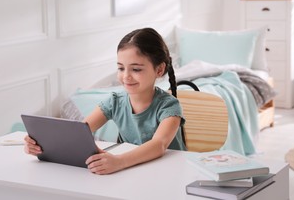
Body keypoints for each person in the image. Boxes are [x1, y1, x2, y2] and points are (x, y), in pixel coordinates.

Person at [24, 27, 186, 174]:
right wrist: (40, 145)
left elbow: (159, 145)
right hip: (134, 171)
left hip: (167, 173)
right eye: (121, 68)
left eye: (136, 69)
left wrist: (119, 161)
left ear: (159, 69)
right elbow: (79, 133)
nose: (126, 76)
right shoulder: (115, 101)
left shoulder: (169, 106)